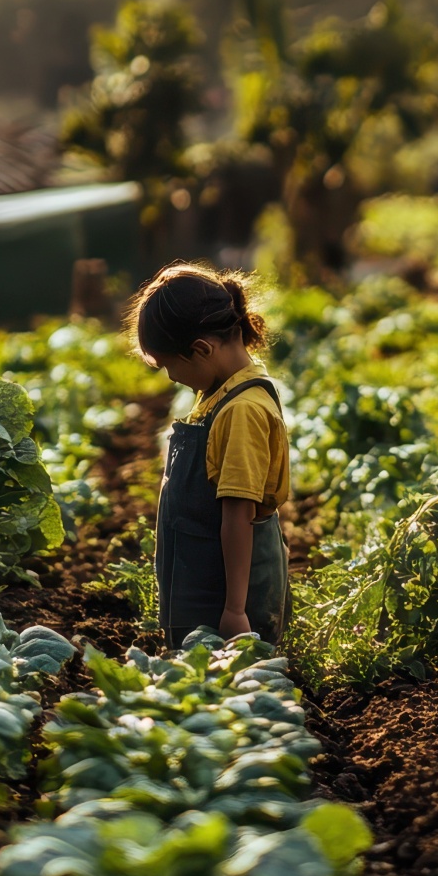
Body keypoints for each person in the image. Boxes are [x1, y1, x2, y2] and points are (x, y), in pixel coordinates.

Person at [126, 263, 291, 649]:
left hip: (226, 593)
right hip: (205, 580)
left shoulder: (241, 411)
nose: (170, 378)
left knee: (232, 688)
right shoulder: (220, 394)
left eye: (170, 365)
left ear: (201, 349)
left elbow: (238, 514)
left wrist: (235, 610)